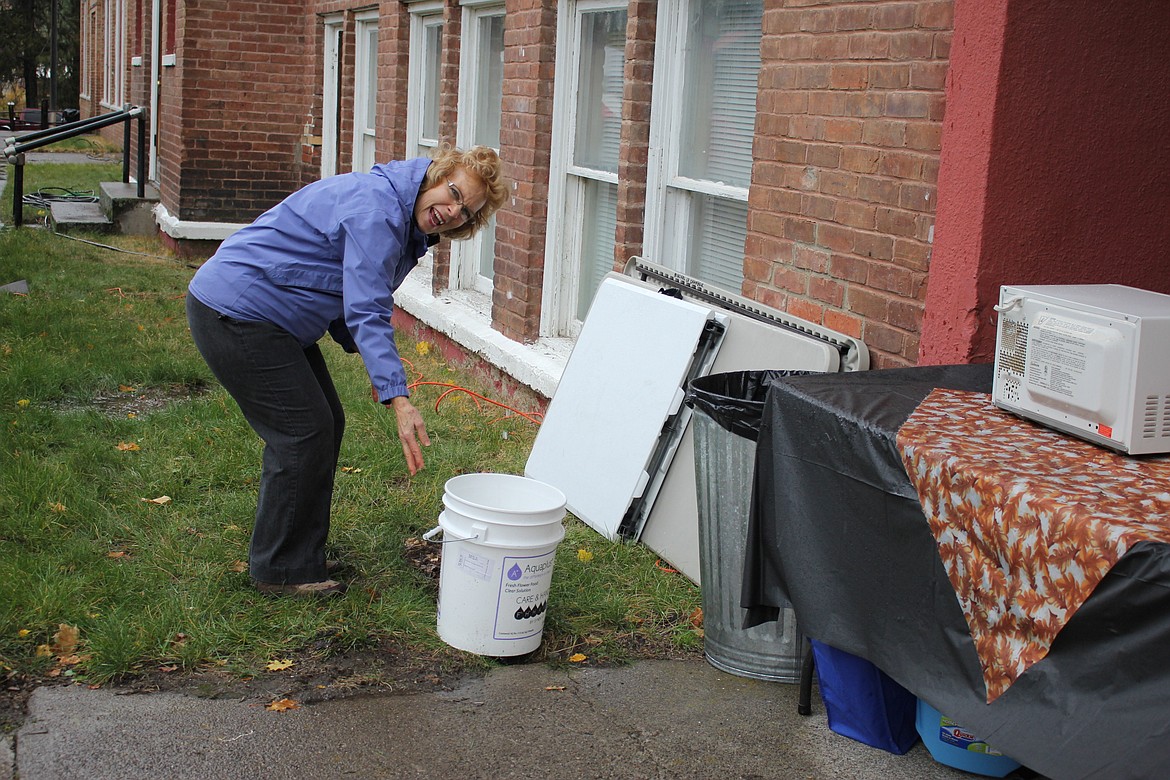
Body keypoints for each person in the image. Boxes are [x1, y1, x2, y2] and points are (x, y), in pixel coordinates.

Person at [185, 145, 508, 597]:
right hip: (239, 310)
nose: (453, 211)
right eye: (453, 192)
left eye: (466, 211)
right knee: (302, 431)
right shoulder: (378, 212)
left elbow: (340, 287)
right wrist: (397, 395)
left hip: (269, 314)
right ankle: (281, 571)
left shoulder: (399, 216)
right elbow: (366, 307)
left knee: (323, 423)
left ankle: (299, 558)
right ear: (434, 175)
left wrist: (377, 358)